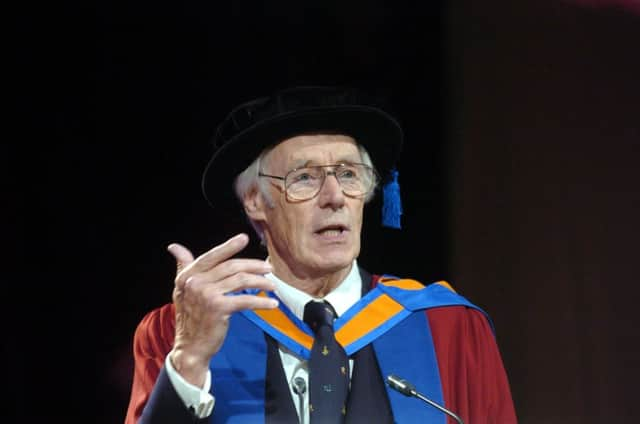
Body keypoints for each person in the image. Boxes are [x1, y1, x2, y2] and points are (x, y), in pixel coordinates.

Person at [124, 86, 517, 424]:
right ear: (254, 201)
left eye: (348, 174)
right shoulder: (183, 331)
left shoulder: (448, 325)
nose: (334, 198)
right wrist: (190, 361)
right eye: (305, 178)